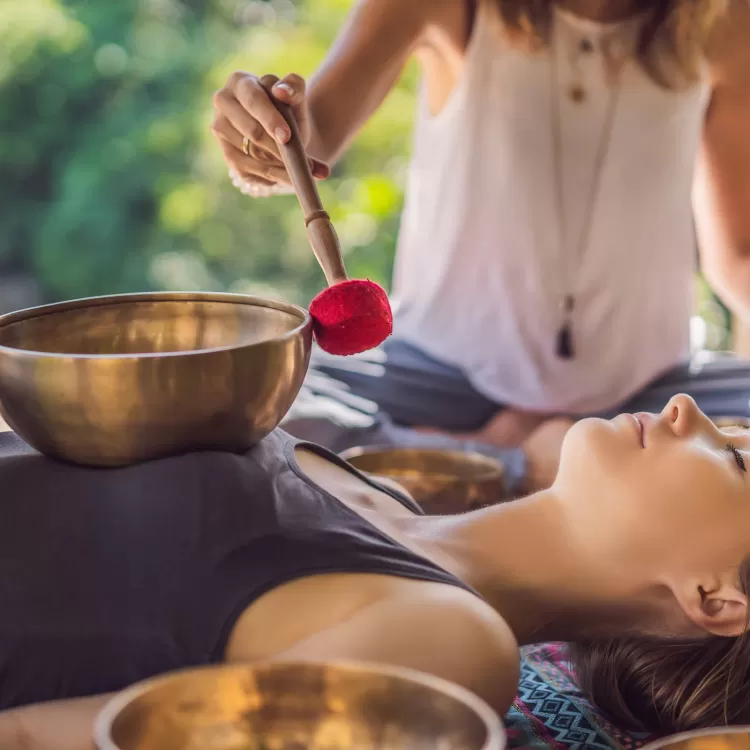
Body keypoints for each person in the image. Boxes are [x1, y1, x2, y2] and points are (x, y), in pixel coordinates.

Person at [2, 393, 750, 748]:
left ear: (715, 598)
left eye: (735, 456)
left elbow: (35, 738)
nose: (689, 406)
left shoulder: (448, 649)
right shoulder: (380, 492)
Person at [210, 0, 750, 449]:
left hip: (653, 400)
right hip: (436, 382)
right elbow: (311, 136)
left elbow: (739, 253)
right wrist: (265, 134)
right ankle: (519, 461)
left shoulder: (724, 19)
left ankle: (482, 462)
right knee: (251, 413)